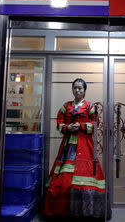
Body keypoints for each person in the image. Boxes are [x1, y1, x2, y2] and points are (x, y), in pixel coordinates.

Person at [43, 78, 110, 220]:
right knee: (63, 179)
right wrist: (67, 127)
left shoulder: (90, 106)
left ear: (85, 90)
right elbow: (59, 122)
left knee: (86, 177)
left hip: (84, 144)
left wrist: (81, 126)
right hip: (68, 145)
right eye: (75, 88)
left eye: (80, 88)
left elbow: (96, 124)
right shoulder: (65, 106)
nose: (77, 90)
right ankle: (63, 212)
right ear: (72, 89)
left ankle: (86, 213)